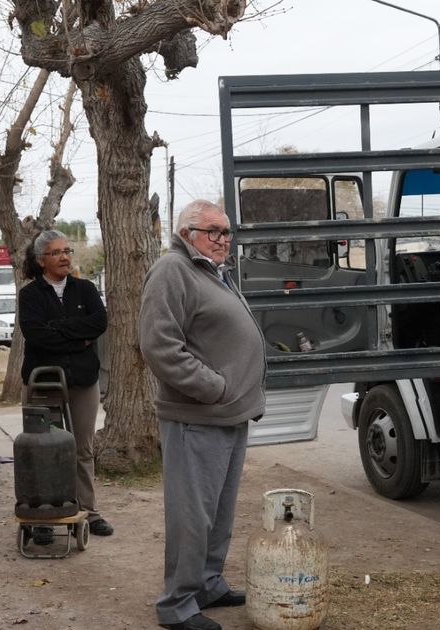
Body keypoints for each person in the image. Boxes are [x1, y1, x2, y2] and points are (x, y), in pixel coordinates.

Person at [139, 200, 267, 630]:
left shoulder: (212, 272)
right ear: (186, 232)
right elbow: (160, 346)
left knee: (220, 512)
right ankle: (177, 605)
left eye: (227, 232)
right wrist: (214, 388)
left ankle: (207, 583)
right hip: (198, 415)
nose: (223, 240)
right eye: (213, 231)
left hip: (229, 415)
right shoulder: (172, 270)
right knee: (191, 515)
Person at [17, 229, 113, 537]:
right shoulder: (30, 294)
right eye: (57, 252)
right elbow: (36, 335)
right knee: (44, 449)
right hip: (44, 384)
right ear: (42, 259)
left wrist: (58, 331)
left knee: (82, 449)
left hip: (83, 381)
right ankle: (44, 516)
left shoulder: (84, 289)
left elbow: (99, 322)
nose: (64, 257)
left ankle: (88, 511)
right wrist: (76, 337)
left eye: (67, 251)